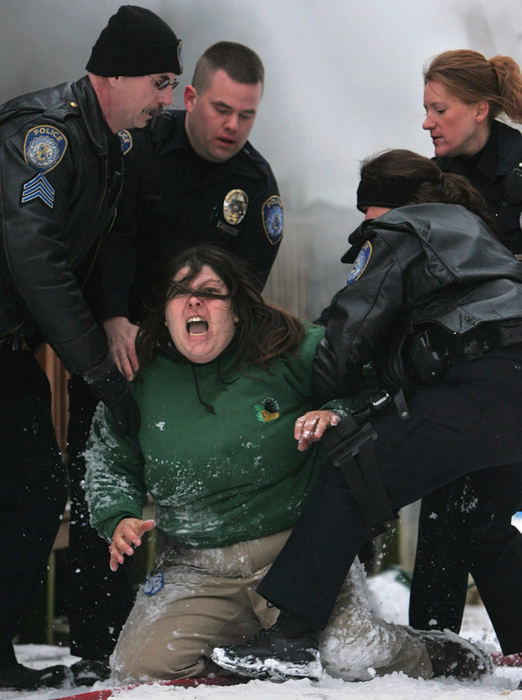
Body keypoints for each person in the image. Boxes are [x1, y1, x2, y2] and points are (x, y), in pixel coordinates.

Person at [83, 245, 489, 684]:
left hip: (298, 553)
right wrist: (118, 515)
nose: (194, 302)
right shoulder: (139, 378)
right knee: (137, 670)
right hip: (194, 566)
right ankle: (249, 659)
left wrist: (333, 410)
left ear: (237, 310)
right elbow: (108, 458)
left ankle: (440, 654)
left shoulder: (285, 350)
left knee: (349, 656)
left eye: (211, 292)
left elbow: (370, 381)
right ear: (165, 314)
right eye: (180, 292)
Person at [211, 149, 522, 681]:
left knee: (351, 472)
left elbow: (350, 334)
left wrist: (315, 392)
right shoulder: (472, 230)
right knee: (477, 515)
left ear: (378, 207)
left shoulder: (397, 231)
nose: (362, 227)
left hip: (477, 386)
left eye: (364, 216)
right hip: (509, 387)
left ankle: (290, 639)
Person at [65, 41, 283, 683]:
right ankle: (92, 649)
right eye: (221, 109)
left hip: (199, 367)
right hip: (120, 344)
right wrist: (110, 319)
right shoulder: (135, 147)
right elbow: (106, 238)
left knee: (206, 493)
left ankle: (213, 627)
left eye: (247, 115)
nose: (232, 127)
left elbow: (247, 296)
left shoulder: (254, 187)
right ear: (189, 96)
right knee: (98, 491)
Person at [0, 5, 182, 690]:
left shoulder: (111, 145)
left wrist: (111, 316)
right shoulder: (44, 140)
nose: (166, 100)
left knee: (31, 491)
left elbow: (105, 247)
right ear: (117, 74)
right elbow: (35, 257)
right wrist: (99, 370)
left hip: (10, 343)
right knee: (32, 489)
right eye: (161, 82)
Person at [409, 49, 522, 641]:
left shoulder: (520, 170)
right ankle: (434, 642)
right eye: (425, 108)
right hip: (454, 370)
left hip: (511, 372)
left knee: (484, 510)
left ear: (481, 109)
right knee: (444, 497)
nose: (428, 121)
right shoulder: (435, 179)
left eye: (440, 108)